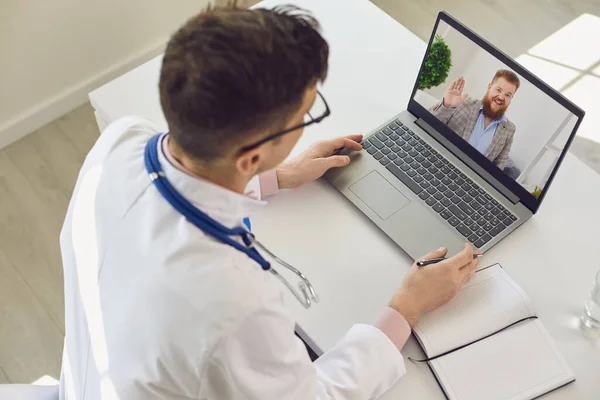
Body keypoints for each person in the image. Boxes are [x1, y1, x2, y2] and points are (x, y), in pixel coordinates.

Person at [59, 5, 480, 399]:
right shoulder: (232, 305)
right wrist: (407, 308)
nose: (305, 124)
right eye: (304, 115)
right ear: (250, 154)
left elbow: (188, 177)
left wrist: (276, 175)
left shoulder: (122, 139)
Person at [429, 70, 520, 170]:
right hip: (440, 162)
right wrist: (447, 106)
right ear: (489, 87)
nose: (501, 97)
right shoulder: (463, 103)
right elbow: (428, 124)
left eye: (508, 95)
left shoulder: (509, 129)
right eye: (498, 90)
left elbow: (499, 165)